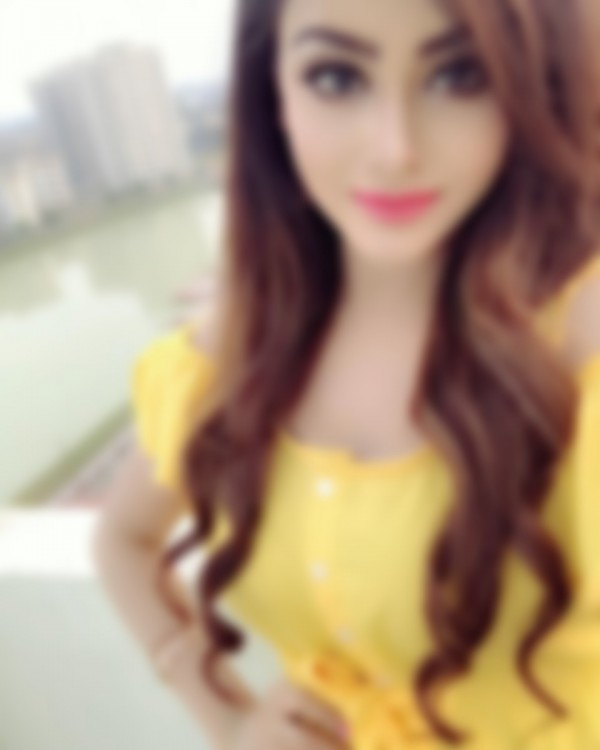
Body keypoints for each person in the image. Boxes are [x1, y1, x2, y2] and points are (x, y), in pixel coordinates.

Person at [93, 0, 600, 747]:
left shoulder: (578, 338)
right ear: (274, 92)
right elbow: (123, 541)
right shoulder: (240, 340)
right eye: (336, 77)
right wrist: (229, 719)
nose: (395, 149)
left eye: (462, 75)